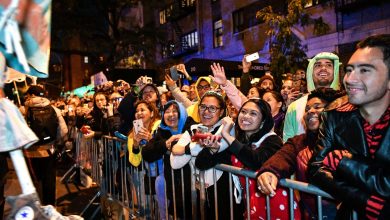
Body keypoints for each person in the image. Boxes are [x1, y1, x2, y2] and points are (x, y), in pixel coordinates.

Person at [308, 34, 390, 219]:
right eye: (349, 70)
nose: (350, 79)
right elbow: (315, 170)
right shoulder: (334, 115)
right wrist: (364, 200)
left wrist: (343, 162)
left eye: (365, 70)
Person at [257, 88, 344, 219]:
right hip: (311, 214)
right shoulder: (300, 142)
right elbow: (283, 156)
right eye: (307, 109)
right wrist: (269, 172)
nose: (311, 112)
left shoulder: (347, 139)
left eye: (317, 107)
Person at [209, 98, 300, 219]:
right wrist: (213, 149)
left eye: (253, 113)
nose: (246, 116)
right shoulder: (241, 142)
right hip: (252, 204)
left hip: (276, 202)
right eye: (243, 111)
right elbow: (207, 162)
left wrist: (226, 135)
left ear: (263, 121)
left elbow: (256, 161)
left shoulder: (273, 140)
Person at [170, 91, 242, 219]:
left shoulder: (227, 129)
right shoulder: (193, 128)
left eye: (212, 108)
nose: (206, 112)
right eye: (203, 107)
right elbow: (175, 163)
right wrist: (192, 147)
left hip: (224, 193)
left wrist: (183, 148)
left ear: (221, 112)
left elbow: (203, 153)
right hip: (200, 194)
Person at [142, 100, 195, 219]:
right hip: (172, 186)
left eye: (175, 111)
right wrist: (166, 143)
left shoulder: (192, 127)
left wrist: (182, 139)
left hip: (193, 187)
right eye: (167, 111)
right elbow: (146, 153)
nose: (171, 115)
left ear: (182, 113)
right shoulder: (162, 131)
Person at [24, 85, 68, 205]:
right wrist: (56, 142)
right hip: (49, 150)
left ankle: (36, 209)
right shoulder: (54, 109)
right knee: (49, 182)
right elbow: (64, 131)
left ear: (32, 95)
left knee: (33, 183)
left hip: (30, 153)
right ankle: (49, 209)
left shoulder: (23, 110)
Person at [283, 52, 341, 142]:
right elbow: (287, 143)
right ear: (310, 71)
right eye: (318, 65)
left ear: (335, 71)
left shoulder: (346, 103)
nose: (323, 68)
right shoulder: (294, 107)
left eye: (329, 65)